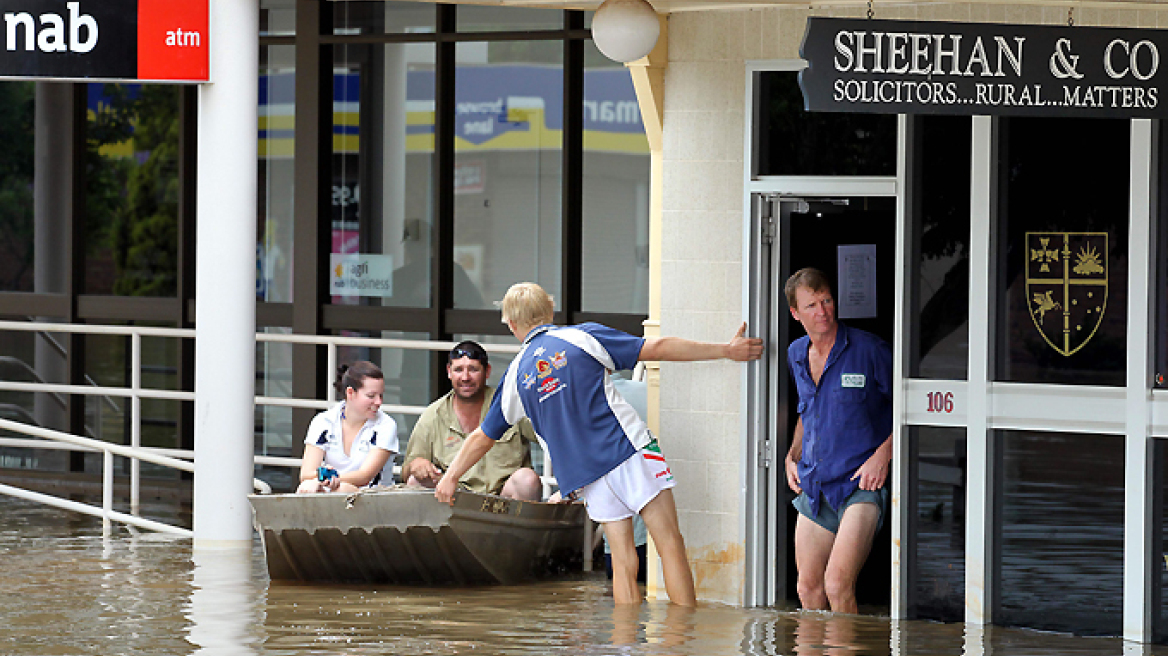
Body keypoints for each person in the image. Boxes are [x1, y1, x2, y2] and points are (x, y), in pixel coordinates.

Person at [434, 282, 763, 606]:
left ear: (512, 324)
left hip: (588, 476)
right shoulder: (582, 337)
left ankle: (624, 645)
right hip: (630, 451)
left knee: (622, 562)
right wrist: (725, 350)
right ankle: (681, 641)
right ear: (549, 312)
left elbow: (482, 436)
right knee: (669, 544)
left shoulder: (516, 374)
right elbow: (658, 347)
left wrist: (450, 478)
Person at [783, 268, 892, 614]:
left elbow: (908, 411)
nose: (823, 311)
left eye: (827, 300)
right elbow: (808, 409)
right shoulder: (797, 353)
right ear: (795, 313)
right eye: (812, 305)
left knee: (837, 584)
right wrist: (791, 455)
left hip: (860, 484)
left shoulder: (870, 349)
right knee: (808, 588)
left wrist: (883, 456)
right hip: (816, 486)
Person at [403, 340, 542, 500]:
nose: (465, 377)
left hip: (504, 501)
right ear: (449, 372)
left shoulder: (507, 405)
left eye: (473, 369)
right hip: (455, 501)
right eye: (458, 370)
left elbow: (552, 437)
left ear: (487, 371)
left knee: (527, 479)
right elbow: (407, 471)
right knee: (415, 482)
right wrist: (417, 465)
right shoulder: (433, 414)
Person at [297, 361, 400, 494]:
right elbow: (305, 474)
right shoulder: (323, 421)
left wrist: (329, 478)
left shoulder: (386, 425)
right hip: (333, 491)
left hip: (374, 498)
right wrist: (320, 482)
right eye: (371, 396)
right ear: (350, 393)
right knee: (306, 487)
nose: (378, 402)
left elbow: (364, 476)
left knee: (341, 489)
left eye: (381, 395)